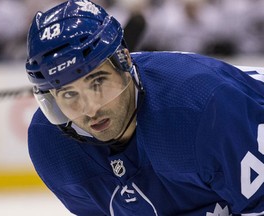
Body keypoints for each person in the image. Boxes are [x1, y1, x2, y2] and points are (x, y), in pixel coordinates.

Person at [25, 0, 264, 215]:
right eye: (69, 93)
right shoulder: (52, 147)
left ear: (125, 60)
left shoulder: (201, 108)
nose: (90, 109)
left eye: (97, 82)